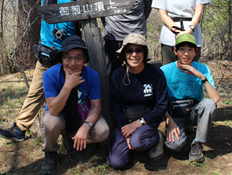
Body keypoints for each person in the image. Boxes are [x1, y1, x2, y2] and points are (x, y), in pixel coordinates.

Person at [0, 0, 85, 142]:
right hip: (46, 55)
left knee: (69, 96)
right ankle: (20, 129)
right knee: (36, 92)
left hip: (68, 59)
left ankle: (69, 134)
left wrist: (84, 6)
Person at [40, 35, 109, 174]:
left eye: (78, 58)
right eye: (67, 57)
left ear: (84, 60)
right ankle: (50, 153)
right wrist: (67, 87)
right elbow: (53, 110)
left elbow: (96, 106)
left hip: (82, 116)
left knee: (103, 131)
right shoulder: (50, 75)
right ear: (62, 59)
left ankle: (75, 139)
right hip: (60, 117)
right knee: (49, 122)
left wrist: (85, 126)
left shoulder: (92, 75)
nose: (72, 63)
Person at [107, 33, 168, 170]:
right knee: (116, 162)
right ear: (124, 54)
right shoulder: (118, 75)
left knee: (138, 142)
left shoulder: (156, 73)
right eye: (129, 51)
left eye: (138, 50)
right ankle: (134, 142)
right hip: (125, 120)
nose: (134, 55)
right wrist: (126, 130)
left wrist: (139, 123)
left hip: (148, 118)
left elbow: (161, 105)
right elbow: (115, 107)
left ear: (144, 53)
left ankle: (156, 137)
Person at [160, 34, 220, 163]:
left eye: (190, 50)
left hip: (194, 110)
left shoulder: (202, 68)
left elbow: (215, 98)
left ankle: (197, 143)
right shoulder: (164, 71)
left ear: (196, 52)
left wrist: (201, 77)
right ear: (175, 51)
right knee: (174, 146)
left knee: (209, 104)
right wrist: (169, 122)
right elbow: (158, 102)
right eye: (182, 49)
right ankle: (180, 129)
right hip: (173, 113)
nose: (186, 54)